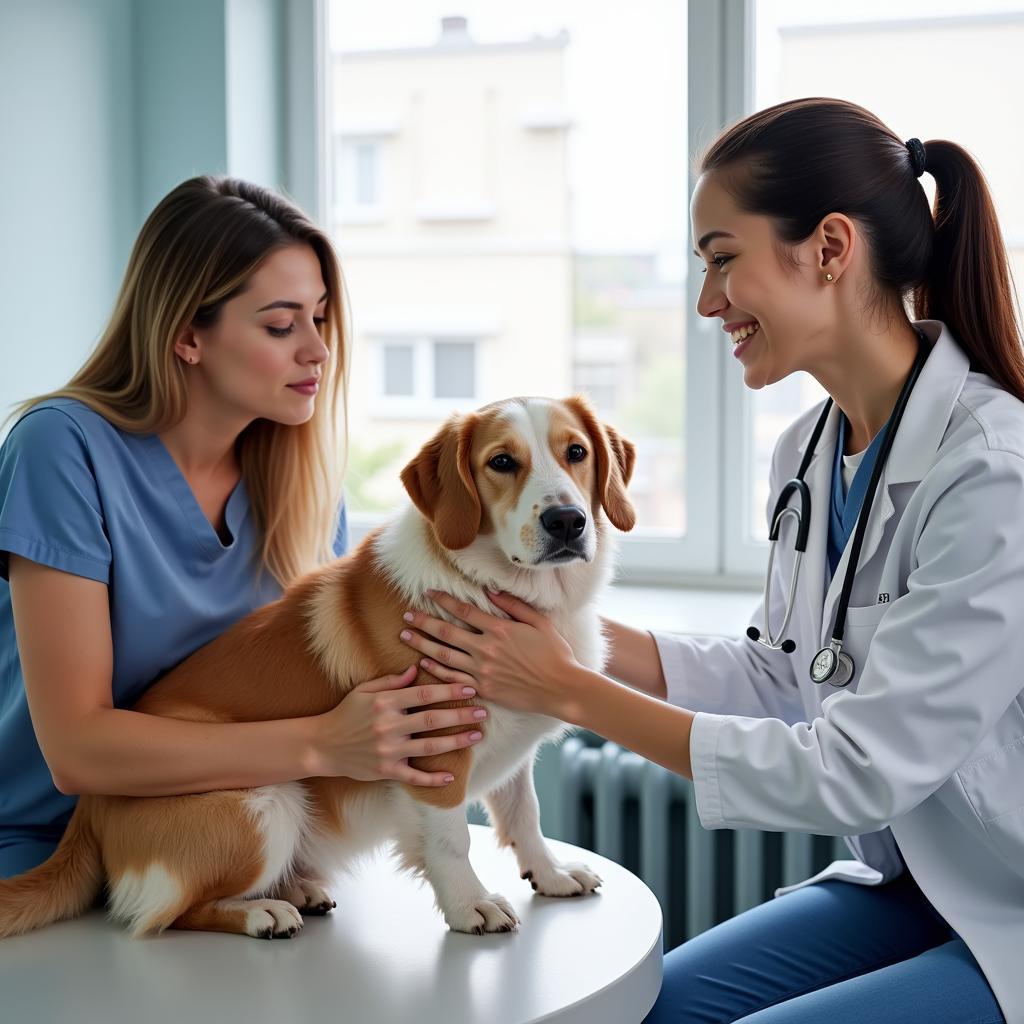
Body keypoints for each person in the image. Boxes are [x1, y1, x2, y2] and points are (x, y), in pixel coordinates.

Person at [397, 98, 1023, 1023]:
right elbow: (787, 674)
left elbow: (855, 769)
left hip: (1007, 895)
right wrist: (564, 630)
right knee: (649, 1009)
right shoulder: (810, 453)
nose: (706, 302)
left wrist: (568, 688)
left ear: (830, 248)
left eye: (724, 259)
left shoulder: (990, 472)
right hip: (911, 878)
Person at [0, 175, 486, 881]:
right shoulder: (60, 450)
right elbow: (78, 751)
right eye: (281, 325)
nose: (317, 351)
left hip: (234, 852)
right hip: (47, 856)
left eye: (320, 318)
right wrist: (324, 743)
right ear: (186, 336)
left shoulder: (308, 487)